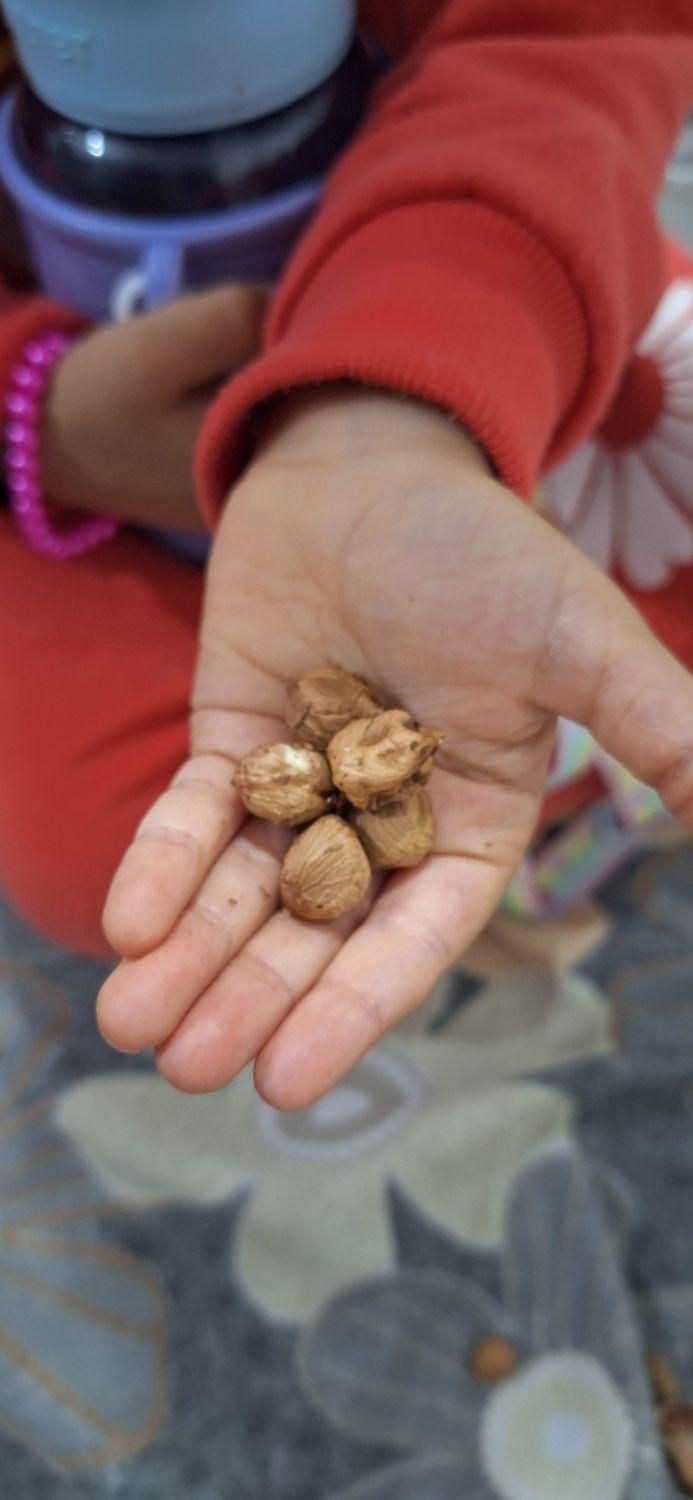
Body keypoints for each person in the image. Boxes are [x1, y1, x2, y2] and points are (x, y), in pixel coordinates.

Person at [0, 2, 692, 1109]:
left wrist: (393, 397)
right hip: (66, 444)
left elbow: (574, 36)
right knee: (95, 838)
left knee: (659, 513)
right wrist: (33, 417)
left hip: (469, 275)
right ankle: (545, 784)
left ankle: (551, 792)